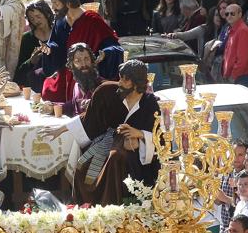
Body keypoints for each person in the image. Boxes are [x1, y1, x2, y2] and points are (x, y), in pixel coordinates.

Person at [43, 59, 160, 204]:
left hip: (139, 153)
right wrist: (61, 129)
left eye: (125, 80)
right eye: (120, 77)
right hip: (108, 140)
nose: (120, 82)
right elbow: (89, 118)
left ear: (136, 83)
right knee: (84, 165)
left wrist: (140, 134)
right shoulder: (109, 92)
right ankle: (91, 206)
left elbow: (160, 135)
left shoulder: (151, 103)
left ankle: (113, 206)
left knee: (116, 158)